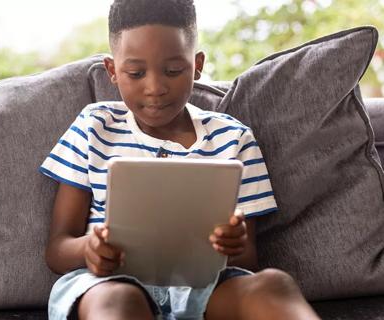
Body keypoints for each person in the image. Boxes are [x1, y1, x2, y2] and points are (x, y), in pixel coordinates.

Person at [40, 0, 321, 319]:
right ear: (112, 71)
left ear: (197, 64)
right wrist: (89, 249)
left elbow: (246, 261)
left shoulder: (233, 139)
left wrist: (234, 244)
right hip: (108, 283)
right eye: (136, 72)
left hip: (204, 288)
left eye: (173, 71)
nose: (155, 87)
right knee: (116, 301)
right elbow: (57, 250)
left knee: (273, 283)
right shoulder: (95, 127)